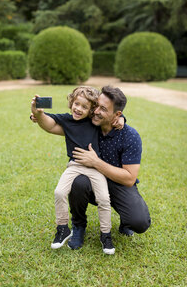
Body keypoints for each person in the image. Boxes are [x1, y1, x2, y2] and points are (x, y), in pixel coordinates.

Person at [30, 86, 125, 255]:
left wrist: (123, 118)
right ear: (71, 102)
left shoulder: (94, 122)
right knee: (59, 192)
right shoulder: (66, 120)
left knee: (104, 199)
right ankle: (63, 228)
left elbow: (113, 117)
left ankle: (106, 235)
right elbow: (47, 121)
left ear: (91, 110)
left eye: (84, 107)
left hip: (95, 168)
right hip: (74, 166)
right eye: (76, 104)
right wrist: (37, 114)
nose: (78, 109)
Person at [66, 85, 151, 250]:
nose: (96, 111)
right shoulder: (88, 125)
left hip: (118, 183)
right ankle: (78, 225)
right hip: (90, 180)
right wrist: (38, 115)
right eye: (96, 105)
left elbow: (129, 178)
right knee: (78, 181)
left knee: (139, 222)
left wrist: (96, 162)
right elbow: (56, 124)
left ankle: (126, 221)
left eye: (103, 109)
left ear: (117, 115)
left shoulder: (130, 136)